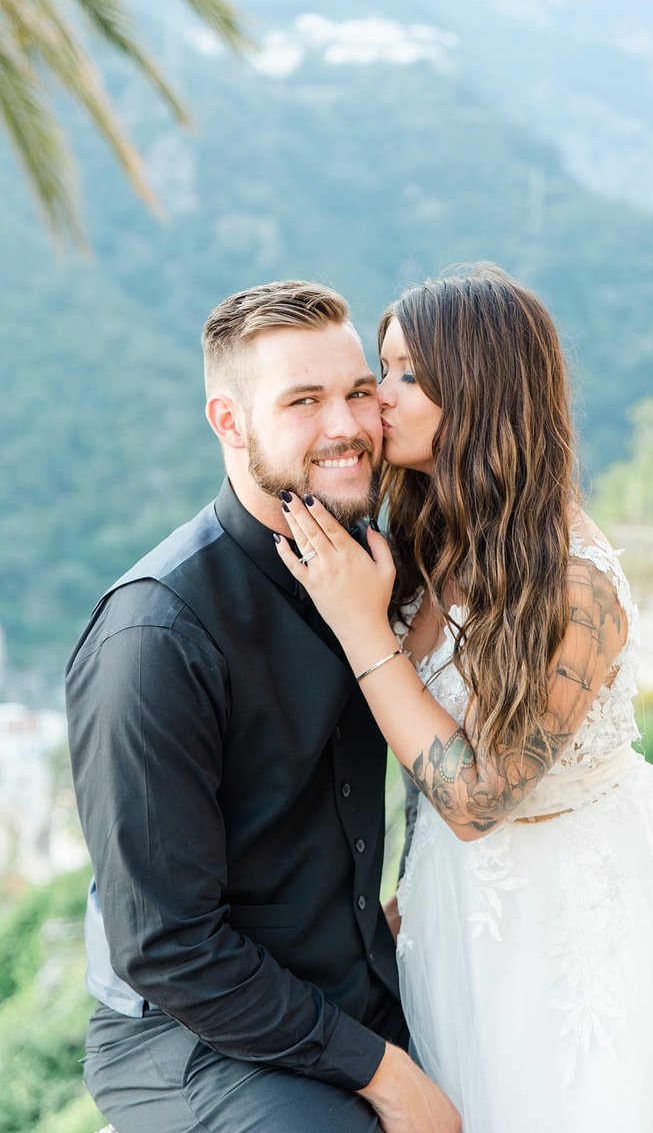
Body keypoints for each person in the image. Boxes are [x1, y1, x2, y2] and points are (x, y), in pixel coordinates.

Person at [274, 264, 653, 1133]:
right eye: (384, 370)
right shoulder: (427, 531)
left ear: (478, 390)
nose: (381, 399)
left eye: (408, 375)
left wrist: (360, 627)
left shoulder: (572, 586)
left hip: (582, 916)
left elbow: (479, 799)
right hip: (460, 908)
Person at [66, 280, 461, 1133]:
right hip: (194, 1037)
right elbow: (167, 947)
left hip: (356, 988)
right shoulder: (153, 637)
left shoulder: (367, 564)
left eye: (359, 392)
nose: (348, 426)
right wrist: (386, 1075)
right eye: (304, 401)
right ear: (230, 422)